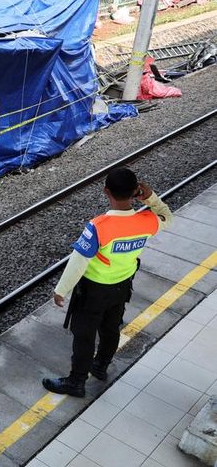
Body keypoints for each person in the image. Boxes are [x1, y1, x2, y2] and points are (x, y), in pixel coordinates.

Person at [42, 167, 173, 397]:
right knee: (111, 328)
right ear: (135, 192)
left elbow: (78, 262)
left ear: (106, 191)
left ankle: (76, 382)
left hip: (93, 291)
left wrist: (61, 290)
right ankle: (100, 366)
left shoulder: (98, 226)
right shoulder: (147, 221)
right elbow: (167, 216)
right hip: (122, 287)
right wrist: (151, 197)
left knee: (84, 335)